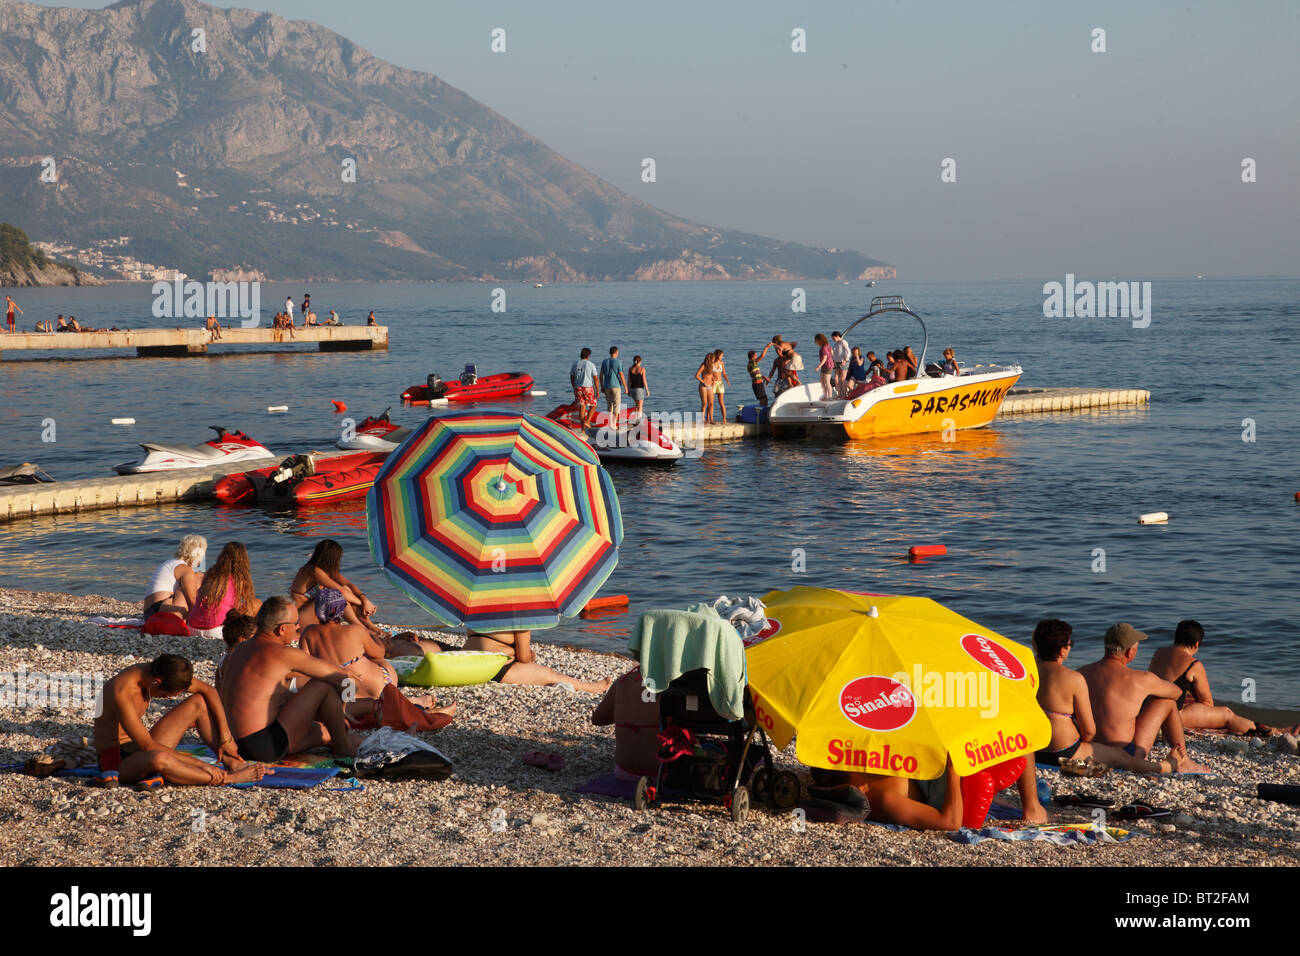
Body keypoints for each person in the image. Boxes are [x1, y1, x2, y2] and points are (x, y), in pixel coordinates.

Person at [93, 654, 267, 786]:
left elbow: (209, 691)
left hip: (140, 747)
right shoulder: (122, 692)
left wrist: (225, 737)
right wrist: (201, 765)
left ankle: (230, 762)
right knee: (159, 758)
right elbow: (149, 746)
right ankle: (227, 778)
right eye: (165, 695)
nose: (167, 699)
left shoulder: (159, 671)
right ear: (156, 682)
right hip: (117, 760)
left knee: (198, 702)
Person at [220, 597, 359, 762]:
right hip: (262, 745)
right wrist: (344, 707)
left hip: (232, 743)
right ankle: (343, 749)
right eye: (296, 623)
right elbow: (343, 677)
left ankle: (337, 737)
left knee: (325, 730)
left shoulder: (240, 649)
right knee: (322, 685)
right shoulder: (283, 654)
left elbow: (265, 697)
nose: (299, 627)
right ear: (282, 629)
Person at [1032, 618, 1173, 773]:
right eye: (1070, 644)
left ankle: (1079, 766)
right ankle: (1163, 767)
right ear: (1062, 650)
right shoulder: (1073, 678)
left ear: (1036, 644)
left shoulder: (1027, 672)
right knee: (1121, 757)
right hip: (1064, 750)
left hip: (1035, 751)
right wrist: (1091, 747)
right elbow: (1089, 730)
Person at [1077, 623, 1211, 772]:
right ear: (1129, 652)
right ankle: (1184, 760)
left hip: (1090, 749)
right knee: (1165, 701)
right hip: (1126, 753)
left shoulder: (1081, 673)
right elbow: (1176, 692)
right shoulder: (1140, 679)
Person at [299, 589, 452, 714]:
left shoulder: (308, 633)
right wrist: (383, 644)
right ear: (341, 609)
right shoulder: (354, 630)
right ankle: (409, 702)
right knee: (380, 661)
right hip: (376, 686)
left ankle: (386, 704)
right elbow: (378, 654)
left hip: (342, 693)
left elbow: (305, 665)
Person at [1148, 620, 1294, 736]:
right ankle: (1274, 732)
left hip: (1148, 709)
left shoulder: (1159, 653)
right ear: (1197, 643)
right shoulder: (1193, 665)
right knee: (1226, 714)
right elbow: (1207, 703)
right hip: (1171, 716)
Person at [836, 755, 1047, 832]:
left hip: (936, 778)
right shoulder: (881, 798)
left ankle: (1031, 806)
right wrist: (953, 771)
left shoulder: (867, 762)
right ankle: (1033, 808)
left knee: (1018, 735)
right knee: (988, 778)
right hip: (956, 799)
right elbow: (950, 821)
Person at [461, 629, 612, 694]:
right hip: (497, 667)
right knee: (550, 674)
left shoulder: (480, 607)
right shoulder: (517, 613)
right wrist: (530, 657)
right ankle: (590, 687)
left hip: (467, 660)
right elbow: (523, 657)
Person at [290, 539, 380, 637]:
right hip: (300, 622)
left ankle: (369, 626)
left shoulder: (328, 572)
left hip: (316, 618)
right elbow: (342, 592)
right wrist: (362, 604)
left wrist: (364, 599)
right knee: (333, 595)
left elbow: (349, 585)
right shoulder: (312, 570)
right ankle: (360, 628)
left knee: (347, 590)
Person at [591, 665, 662, 780]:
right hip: (662, 773)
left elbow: (598, 719)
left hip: (624, 771)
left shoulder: (622, 681)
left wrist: (628, 710)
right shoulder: (674, 684)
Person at [185, 542, 260, 640]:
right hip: (216, 631)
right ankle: (260, 637)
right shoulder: (239, 579)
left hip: (192, 627)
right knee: (256, 604)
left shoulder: (211, 574)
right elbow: (247, 604)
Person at [143, 534, 207, 618]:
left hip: (149, 613)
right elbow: (192, 600)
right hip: (163, 611)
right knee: (198, 578)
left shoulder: (171, 562)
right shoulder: (185, 569)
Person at [215, 611, 257, 691]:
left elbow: (217, 688)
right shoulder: (236, 661)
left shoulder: (224, 660)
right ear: (242, 639)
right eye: (255, 636)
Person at [570, 347, 599, 429]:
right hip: (587, 388)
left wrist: (574, 387)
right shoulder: (590, 364)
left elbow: (572, 377)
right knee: (593, 405)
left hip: (578, 388)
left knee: (582, 407)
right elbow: (596, 379)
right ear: (588, 355)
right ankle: (587, 421)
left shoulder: (575, 364)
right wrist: (597, 391)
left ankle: (582, 429)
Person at [599, 346, 627, 423]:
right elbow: (621, 375)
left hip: (607, 386)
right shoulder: (618, 362)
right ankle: (614, 424)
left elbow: (601, 375)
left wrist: (601, 386)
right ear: (616, 352)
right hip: (616, 386)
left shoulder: (604, 362)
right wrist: (626, 387)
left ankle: (610, 423)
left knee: (609, 405)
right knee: (616, 405)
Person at [694, 351, 717, 424]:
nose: (714, 360)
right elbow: (697, 375)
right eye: (713, 359)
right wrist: (703, 381)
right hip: (703, 386)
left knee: (711, 403)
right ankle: (702, 419)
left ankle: (711, 419)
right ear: (710, 359)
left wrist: (714, 380)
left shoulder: (713, 365)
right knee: (704, 403)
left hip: (710, 386)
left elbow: (712, 375)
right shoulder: (703, 365)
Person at [626, 355, 649, 421]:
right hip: (639, 390)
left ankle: (635, 418)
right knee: (640, 406)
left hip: (632, 389)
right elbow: (644, 380)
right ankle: (639, 420)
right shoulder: (642, 369)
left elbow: (629, 381)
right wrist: (647, 390)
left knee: (637, 405)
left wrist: (628, 390)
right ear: (640, 361)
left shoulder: (630, 369)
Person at [712, 350, 731, 421]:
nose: (722, 356)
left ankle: (724, 419)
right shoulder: (712, 363)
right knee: (711, 402)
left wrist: (727, 381)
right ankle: (709, 419)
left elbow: (724, 373)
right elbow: (710, 373)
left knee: (721, 402)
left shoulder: (721, 363)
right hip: (713, 383)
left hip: (720, 383)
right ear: (717, 355)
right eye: (721, 355)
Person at [814, 333, 834, 400]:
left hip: (827, 366)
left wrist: (818, 367)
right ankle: (826, 395)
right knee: (822, 381)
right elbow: (832, 353)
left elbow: (824, 358)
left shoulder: (823, 348)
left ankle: (829, 397)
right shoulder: (828, 345)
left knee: (827, 382)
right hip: (827, 365)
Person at [831, 331, 851, 397]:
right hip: (837, 362)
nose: (833, 340)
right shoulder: (837, 344)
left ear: (837, 336)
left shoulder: (843, 342)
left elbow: (848, 352)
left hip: (843, 362)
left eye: (834, 338)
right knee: (836, 378)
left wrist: (845, 360)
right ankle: (839, 393)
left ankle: (844, 394)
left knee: (842, 379)